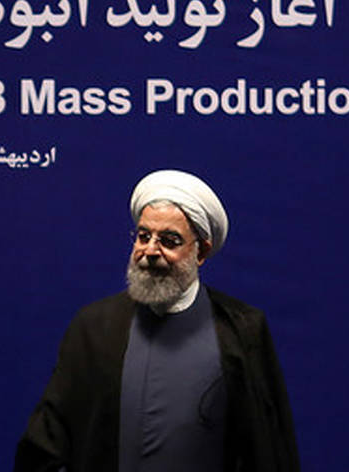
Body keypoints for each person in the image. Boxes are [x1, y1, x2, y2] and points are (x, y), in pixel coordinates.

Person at [15, 169, 299, 472]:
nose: (150, 251)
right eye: (143, 236)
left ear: (201, 251)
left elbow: (268, 448)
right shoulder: (93, 328)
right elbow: (47, 441)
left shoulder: (242, 330)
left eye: (169, 240)